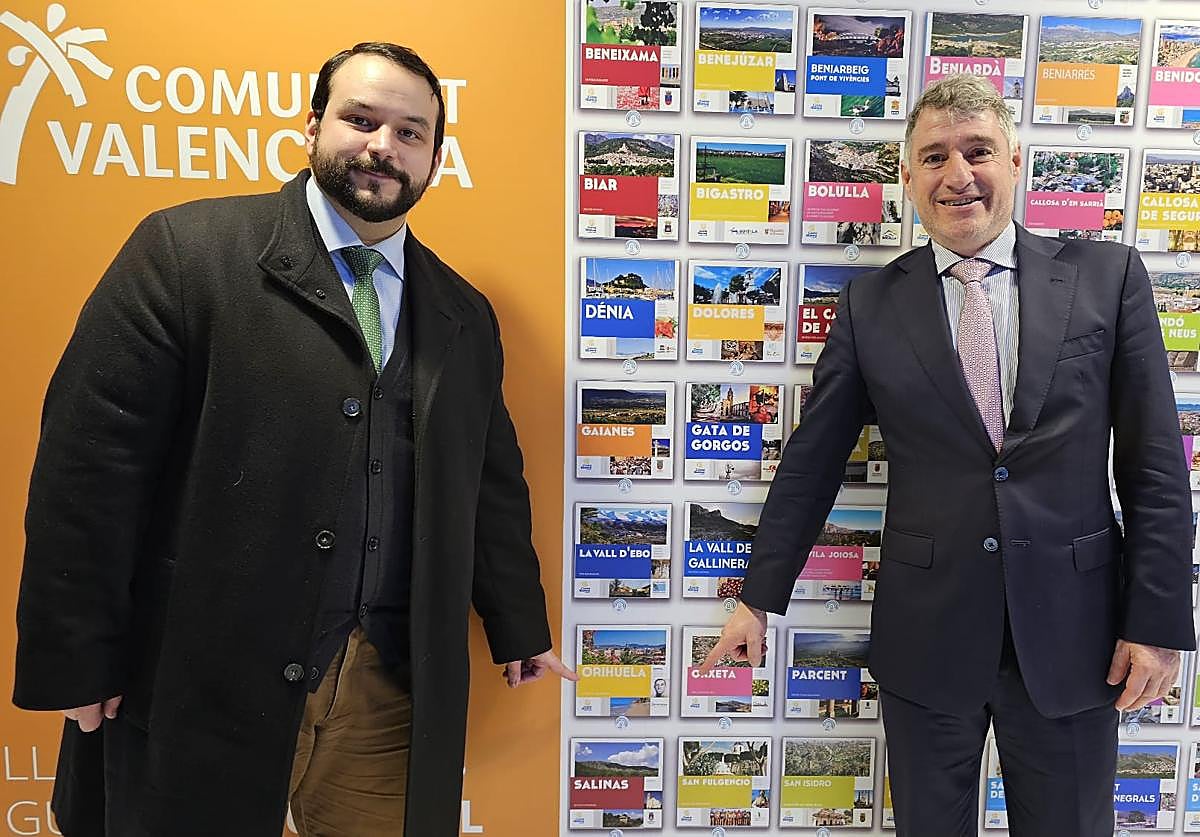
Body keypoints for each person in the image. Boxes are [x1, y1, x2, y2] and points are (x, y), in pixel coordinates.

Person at [13, 41, 574, 837]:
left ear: (435, 157)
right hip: (201, 672)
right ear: (313, 125)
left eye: (411, 132)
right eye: (361, 119)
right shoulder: (185, 254)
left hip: (388, 690)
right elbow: (88, 469)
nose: (385, 145)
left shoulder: (462, 313)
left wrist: (518, 623)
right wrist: (76, 655)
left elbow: (486, 481)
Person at [703, 73, 1194, 836]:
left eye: (978, 151)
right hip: (928, 644)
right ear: (907, 177)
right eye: (934, 157)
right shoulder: (870, 305)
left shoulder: (1109, 276)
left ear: (1015, 159)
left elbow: (1156, 463)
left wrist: (1158, 619)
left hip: (1077, 644)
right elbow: (815, 459)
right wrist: (758, 595)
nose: (958, 174)